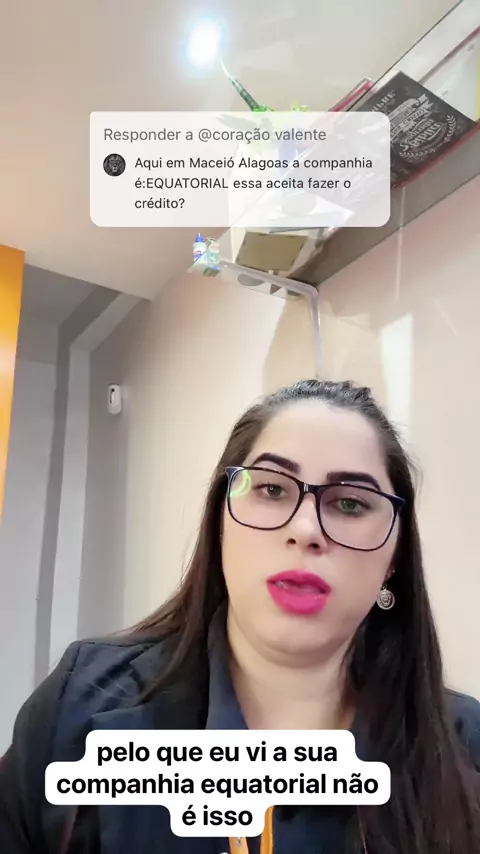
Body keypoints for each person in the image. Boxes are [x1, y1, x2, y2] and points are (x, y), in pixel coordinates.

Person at [1, 379, 479, 854]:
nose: (306, 529)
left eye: (350, 503)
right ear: (220, 521)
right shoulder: (79, 702)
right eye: (271, 489)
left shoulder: (467, 748)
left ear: (394, 557)